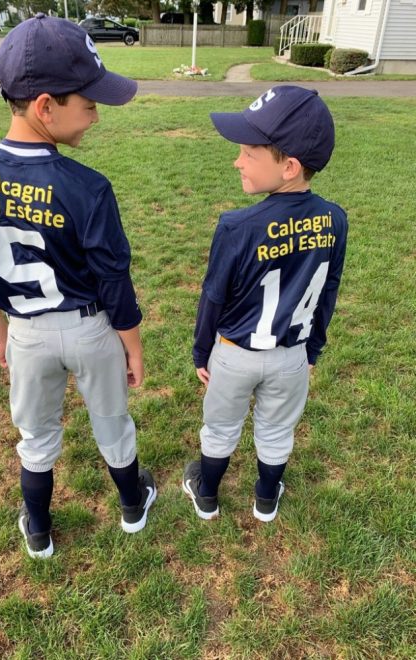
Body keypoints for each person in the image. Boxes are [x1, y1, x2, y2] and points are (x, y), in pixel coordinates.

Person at [0, 14, 156, 559]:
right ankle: (132, 505)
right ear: (45, 106)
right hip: (89, 328)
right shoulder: (88, 186)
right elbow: (114, 281)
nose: (96, 115)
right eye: (88, 104)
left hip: (25, 331)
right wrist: (133, 346)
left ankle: (39, 529)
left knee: (36, 435)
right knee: (111, 421)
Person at [183, 86, 348, 523]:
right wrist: (313, 349)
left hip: (235, 353)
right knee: (277, 430)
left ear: (289, 166)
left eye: (248, 153)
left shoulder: (237, 226)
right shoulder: (335, 219)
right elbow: (328, 291)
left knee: (221, 426)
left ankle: (207, 494)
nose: (237, 161)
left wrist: (201, 351)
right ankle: (266, 499)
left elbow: (213, 296)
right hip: (292, 354)